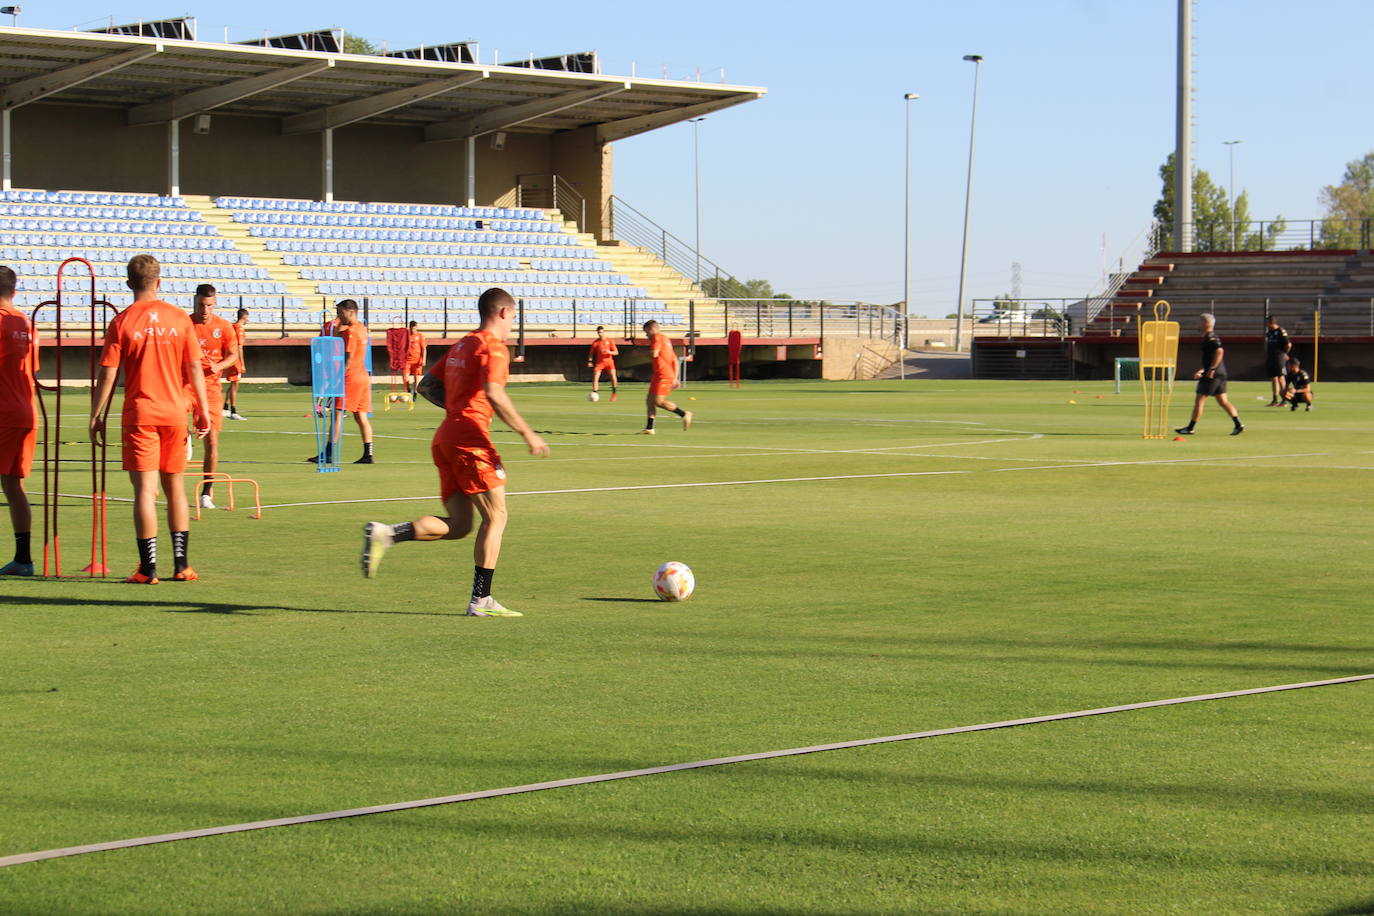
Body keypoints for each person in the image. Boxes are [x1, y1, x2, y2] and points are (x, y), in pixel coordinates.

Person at [360, 288, 548, 617]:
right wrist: (527, 432)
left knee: (461, 526)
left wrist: (458, 410)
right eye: (514, 316)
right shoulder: (493, 347)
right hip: (470, 439)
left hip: (446, 436)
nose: (513, 322)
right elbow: (494, 392)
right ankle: (482, 600)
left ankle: (388, 534)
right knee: (497, 517)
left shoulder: (463, 343)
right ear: (504, 313)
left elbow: (426, 386)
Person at [90, 255, 210, 583]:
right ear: (159, 282)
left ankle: (148, 568)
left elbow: (108, 374)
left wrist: (97, 414)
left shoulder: (122, 321)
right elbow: (195, 367)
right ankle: (182, 565)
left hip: (140, 413)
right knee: (176, 489)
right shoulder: (179, 319)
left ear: (129, 284)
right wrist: (202, 408)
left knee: (145, 491)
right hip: (175, 413)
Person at [0, 266, 37, 576]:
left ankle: (24, 559)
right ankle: (23, 559)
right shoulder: (25, 322)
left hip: (3, 411)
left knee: (12, 485)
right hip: (26, 409)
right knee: (14, 485)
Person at [188, 285, 238, 510]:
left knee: (213, 441)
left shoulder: (224, 327)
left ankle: (207, 492)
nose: (205, 309)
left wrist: (218, 366)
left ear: (215, 303)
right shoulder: (186, 324)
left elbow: (233, 355)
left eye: (209, 305)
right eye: (201, 305)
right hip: (186, 387)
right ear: (195, 301)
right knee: (175, 432)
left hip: (211, 390)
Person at [309, 299, 374, 465]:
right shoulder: (362, 328)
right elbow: (340, 336)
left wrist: (336, 380)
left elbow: (348, 358)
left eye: (341, 312)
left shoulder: (352, 332)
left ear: (350, 311)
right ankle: (368, 453)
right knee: (361, 416)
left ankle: (329, 453)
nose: (338, 316)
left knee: (337, 414)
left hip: (350, 378)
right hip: (363, 376)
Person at [1176, 312, 1244, 436]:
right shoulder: (1210, 336)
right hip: (1220, 374)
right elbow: (1213, 356)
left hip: (1213, 375)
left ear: (1205, 323)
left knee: (1200, 400)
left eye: (1200, 322)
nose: (1198, 324)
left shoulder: (1210, 337)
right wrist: (1203, 369)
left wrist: (1211, 369)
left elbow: (1219, 351)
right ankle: (1238, 424)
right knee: (1223, 401)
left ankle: (1190, 428)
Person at [639, 319, 692, 435]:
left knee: (658, 401)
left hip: (663, 374)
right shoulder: (665, 339)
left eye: (646, 332)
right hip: (660, 374)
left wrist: (639, 352)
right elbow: (674, 359)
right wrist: (675, 377)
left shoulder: (656, 338)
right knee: (649, 401)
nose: (646, 335)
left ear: (651, 329)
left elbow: (654, 353)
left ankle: (684, 414)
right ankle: (650, 428)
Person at [223, 307, 248, 420]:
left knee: (233, 383)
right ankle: (233, 411)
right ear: (244, 317)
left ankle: (225, 408)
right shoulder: (239, 329)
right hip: (235, 360)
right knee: (235, 385)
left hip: (230, 358)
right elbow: (239, 347)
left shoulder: (232, 327)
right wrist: (242, 363)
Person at [1263, 315, 1291, 406]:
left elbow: (1289, 344)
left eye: (1267, 322)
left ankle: (1284, 399)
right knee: (1273, 378)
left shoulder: (1281, 331)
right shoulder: (1269, 332)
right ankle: (1275, 399)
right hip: (1271, 357)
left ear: (1271, 322)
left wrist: (1285, 353)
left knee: (1281, 377)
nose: (1266, 325)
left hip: (1279, 357)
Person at [587, 325, 619, 401]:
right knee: (595, 378)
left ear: (604, 332)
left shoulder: (610, 341)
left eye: (601, 332)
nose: (600, 334)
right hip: (599, 363)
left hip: (609, 363)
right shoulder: (595, 342)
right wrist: (590, 361)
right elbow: (591, 353)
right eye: (598, 333)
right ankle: (595, 393)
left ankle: (614, 394)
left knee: (613, 377)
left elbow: (616, 352)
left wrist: (609, 352)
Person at [403, 320, 427, 398]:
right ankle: (408, 389)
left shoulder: (420, 336)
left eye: (414, 328)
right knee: (405, 377)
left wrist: (423, 359)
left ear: (416, 328)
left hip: (417, 360)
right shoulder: (406, 336)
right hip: (407, 360)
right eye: (411, 328)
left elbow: (424, 349)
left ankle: (415, 393)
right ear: (409, 328)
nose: (413, 330)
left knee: (416, 378)